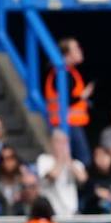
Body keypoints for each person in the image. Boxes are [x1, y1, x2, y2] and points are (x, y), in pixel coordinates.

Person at [44, 37, 94, 167]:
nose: (80, 51)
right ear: (66, 54)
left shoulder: (70, 72)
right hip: (65, 124)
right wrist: (83, 96)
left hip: (70, 123)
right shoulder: (62, 73)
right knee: (83, 160)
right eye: (76, 48)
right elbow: (65, 100)